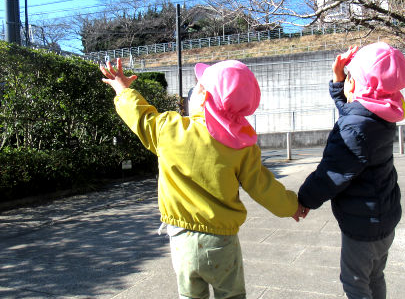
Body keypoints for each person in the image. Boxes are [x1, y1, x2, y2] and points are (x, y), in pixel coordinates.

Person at [100, 58, 306, 299]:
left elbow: (140, 116)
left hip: (181, 239)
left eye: (197, 88)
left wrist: (122, 89)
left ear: (203, 98)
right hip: (222, 240)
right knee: (231, 295)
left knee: (190, 296)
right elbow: (262, 186)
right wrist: (291, 206)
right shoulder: (241, 147)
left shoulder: (169, 129)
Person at [297, 42, 405, 299]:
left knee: (355, 282)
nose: (346, 80)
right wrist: (339, 80)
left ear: (360, 86)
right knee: (374, 276)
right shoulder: (384, 113)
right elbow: (354, 112)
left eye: (350, 77)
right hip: (385, 216)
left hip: (363, 225)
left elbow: (332, 174)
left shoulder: (354, 128)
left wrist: (304, 199)